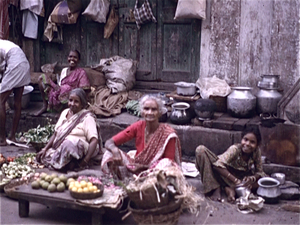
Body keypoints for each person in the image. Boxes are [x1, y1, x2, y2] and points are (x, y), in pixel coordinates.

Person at [101, 94, 182, 179]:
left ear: (160, 113)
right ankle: (118, 181)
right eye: (146, 109)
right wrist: (115, 151)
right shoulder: (138, 126)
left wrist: (144, 167)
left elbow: (169, 162)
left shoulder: (168, 133)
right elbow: (109, 142)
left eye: (154, 109)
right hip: (135, 171)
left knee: (165, 163)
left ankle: (149, 187)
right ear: (142, 112)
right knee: (109, 153)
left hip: (156, 175)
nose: (149, 113)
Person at [195, 126, 267, 203]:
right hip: (225, 174)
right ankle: (215, 188)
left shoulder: (256, 151)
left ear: (257, 144)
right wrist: (236, 181)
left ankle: (229, 190)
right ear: (241, 139)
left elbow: (260, 172)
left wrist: (252, 178)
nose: (247, 144)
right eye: (245, 140)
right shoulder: (235, 149)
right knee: (201, 150)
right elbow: (217, 166)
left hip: (241, 177)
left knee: (265, 179)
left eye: (252, 142)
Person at [36, 88, 102, 171]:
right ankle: (67, 163)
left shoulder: (87, 117)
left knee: (69, 143)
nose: (72, 104)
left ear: (82, 104)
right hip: (61, 148)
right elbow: (56, 133)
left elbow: (94, 140)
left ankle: (72, 162)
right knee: (43, 156)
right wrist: (45, 149)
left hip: (75, 147)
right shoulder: (65, 112)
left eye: (76, 101)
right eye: (70, 100)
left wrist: (85, 161)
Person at [34, 49, 90, 116]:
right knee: (41, 78)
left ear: (79, 60)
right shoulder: (64, 70)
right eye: (70, 56)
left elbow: (83, 90)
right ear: (67, 58)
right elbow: (61, 84)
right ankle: (45, 105)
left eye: (75, 57)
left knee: (68, 92)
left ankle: (63, 109)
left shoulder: (81, 72)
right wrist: (57, 87)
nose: (72, 59)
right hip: (58, 93)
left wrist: (70, 92)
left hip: (69, 97)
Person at [0, 40, 31, 146]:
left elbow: (1, 69)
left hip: (15, 64)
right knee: (17, 102)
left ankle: (2, 139)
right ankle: (12, 136)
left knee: (0, 101)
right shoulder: (5, 43)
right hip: (24, 65)